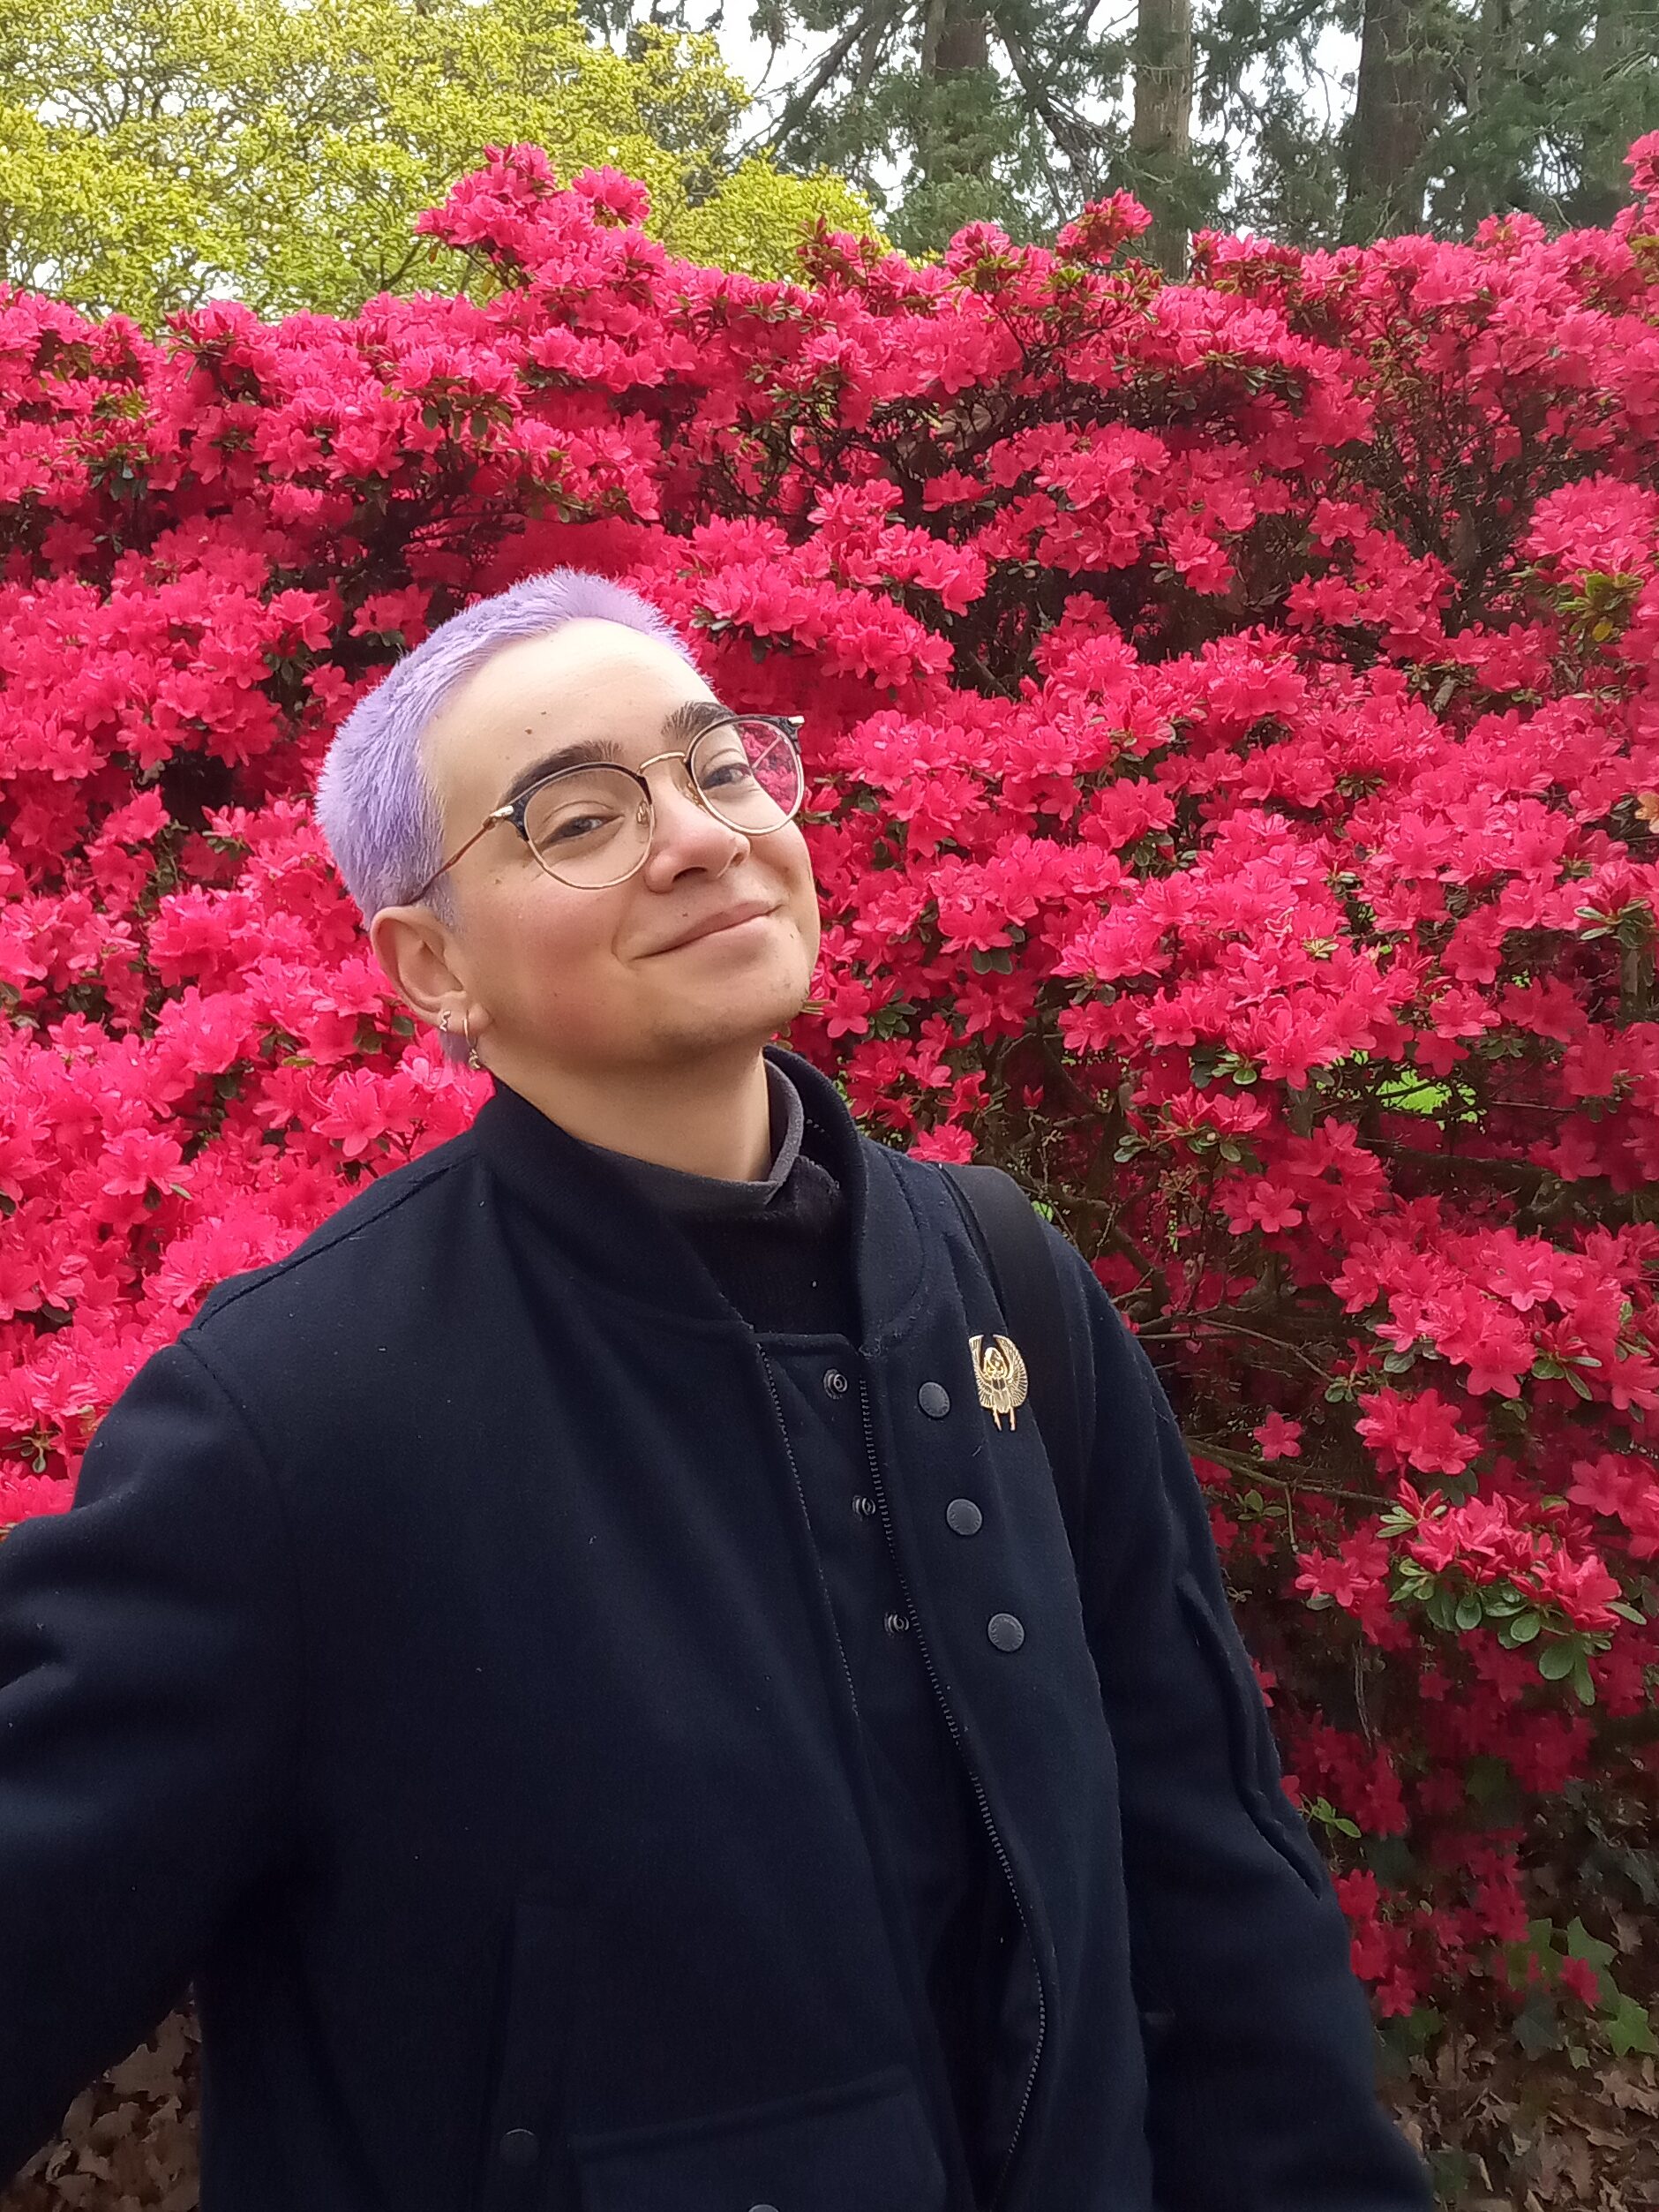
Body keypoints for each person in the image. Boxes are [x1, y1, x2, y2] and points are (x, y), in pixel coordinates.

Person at [0, 568, 1435, 2212]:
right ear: (428, 970)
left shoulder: (1003, 1286)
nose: (696, 833)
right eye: (579, 818)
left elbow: (1213, 1887)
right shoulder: (292, 1425)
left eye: (718, 764)